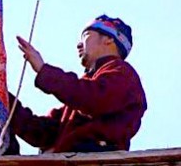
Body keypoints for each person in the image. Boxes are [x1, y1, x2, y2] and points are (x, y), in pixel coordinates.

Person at [10, 15, 147, 153]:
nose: (79, 45)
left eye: (86, 35)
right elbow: (43, 132)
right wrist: (3, 101)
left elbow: (93, 99)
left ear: (109, 39)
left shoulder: (123, 73)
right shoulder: (82, 94)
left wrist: (43, 70)